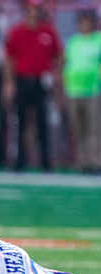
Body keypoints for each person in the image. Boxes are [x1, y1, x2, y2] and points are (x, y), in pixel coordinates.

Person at [4, 0, 61, 171]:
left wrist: (55, 77)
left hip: (41, 81)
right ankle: (19, 161)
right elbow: (9, 59)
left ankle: (45, 162)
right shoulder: (17, 31)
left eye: (36, 8)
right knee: (20, 122)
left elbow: (58, 56)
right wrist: (9, 83)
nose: (33, 12)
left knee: (43, 122)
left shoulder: (48, 31)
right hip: (22, 80)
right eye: (30, 8)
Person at [63, 10, 101, 173]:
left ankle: (96, 162)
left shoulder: (99, 40)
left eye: (88, 21)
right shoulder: (73, 42)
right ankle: (82, 162)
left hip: (93, 89)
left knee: (95, 128)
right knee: (78, 129)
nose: (85, 25)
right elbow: (66, 64)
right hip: (74, 90)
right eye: (82, 22)